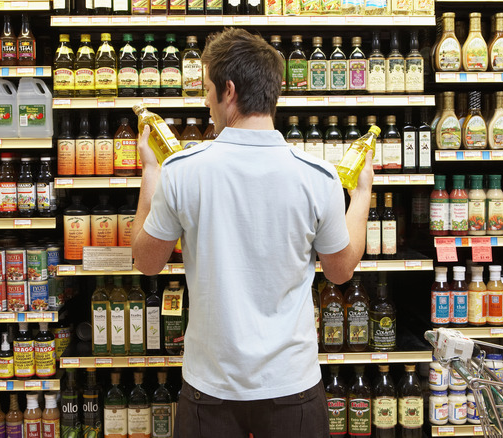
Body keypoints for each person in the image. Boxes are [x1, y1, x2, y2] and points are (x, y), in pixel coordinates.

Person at [131, 27, 373, 438]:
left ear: (228, 91)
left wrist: (150, 171)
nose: (205, 101)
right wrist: (363, 193)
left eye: (207, 90)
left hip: (210, 388)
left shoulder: (182, 171)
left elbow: (147, 261)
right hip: (292, 385)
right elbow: (340, 270)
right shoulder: (318, 176)